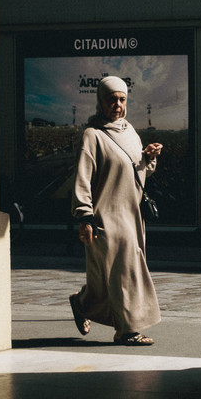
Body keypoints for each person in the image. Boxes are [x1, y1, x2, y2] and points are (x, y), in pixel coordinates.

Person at [67, 75, 163, 345]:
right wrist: (84, 216)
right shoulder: (93, 135)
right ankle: (128, 330)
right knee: (125, 272)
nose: (117, 105)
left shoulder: (130, 132)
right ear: (101, 102)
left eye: (122, 99)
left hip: (130, 214)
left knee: (109, 276)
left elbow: (137, 172)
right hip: (105, 217)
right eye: (111, 99)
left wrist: (148, 158)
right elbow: (82, 178)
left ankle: (82, 303)